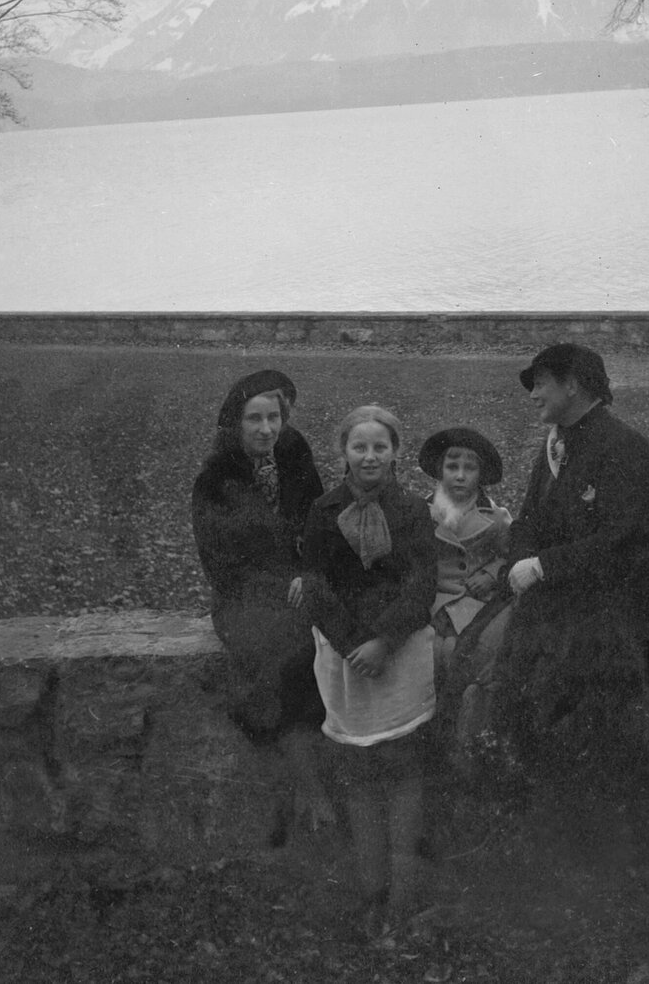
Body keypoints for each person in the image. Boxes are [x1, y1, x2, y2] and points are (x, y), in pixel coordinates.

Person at [495, 343, 649, 793]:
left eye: (540, 383)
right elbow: (529, 519)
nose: (533, 395)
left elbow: (624, 539)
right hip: (562, 605)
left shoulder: (624, 447)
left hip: (612, 614)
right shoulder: (557, 444)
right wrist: (519, 562)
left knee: (590, 728)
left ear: (573, 384)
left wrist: (542, 567)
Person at [300, 405, 436, 938]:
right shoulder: (321, 511)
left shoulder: (412, 511)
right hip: (345, 655)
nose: (370, 456)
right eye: (360, 447)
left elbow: (421, 582)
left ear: (396, 452)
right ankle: (370, 893)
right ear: (344, 453)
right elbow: (316, 582)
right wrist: (354, 644)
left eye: (381, 447)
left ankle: (404, 899)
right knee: (359, 774)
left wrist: (384, 639)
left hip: (398, 652)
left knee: (402, 769)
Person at [192, 368, 331, 839]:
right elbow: (224, 569)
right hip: (244, 600)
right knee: (286, 651)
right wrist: (285, 586)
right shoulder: (214, 481)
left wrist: (310, 575)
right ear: (236, 423)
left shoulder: (295, 457)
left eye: (274, 417)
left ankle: (315, 785)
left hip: (299, 589)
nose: (267, 429)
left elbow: (319, 527)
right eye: (255, 419)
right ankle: (308, 788)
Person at [417, 426, 512, 678]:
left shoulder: (495, 518)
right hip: (434, 602)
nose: (460, 476)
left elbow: (511, 554)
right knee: (429, 657)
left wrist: (492, 574)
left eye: (469, 469)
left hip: (475, 601)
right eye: (452, 467)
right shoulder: (421, 513)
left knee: (461, 656)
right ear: (439, 471)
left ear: (480, 475)